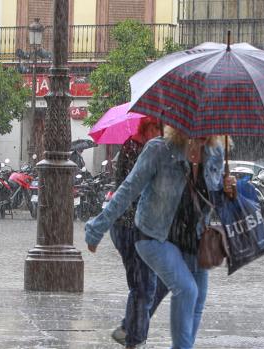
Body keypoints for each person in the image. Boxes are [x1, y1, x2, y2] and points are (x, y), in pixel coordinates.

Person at [85, 124, 236, 349]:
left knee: (197, 300)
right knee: (186, 289)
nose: (203, 130)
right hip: (153, 234)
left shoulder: (215, 153)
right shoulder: (159, 150)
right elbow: (128, 189)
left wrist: (229, 190)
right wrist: (97, 228)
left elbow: (214, 204)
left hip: (193, 238)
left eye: (209, 124)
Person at [108, 117, 168, 348]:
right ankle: (134, 338)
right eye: (158, 129)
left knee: (155, 282)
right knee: (143, 286)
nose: (162, 134)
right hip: (131, 226)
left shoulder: (147, 149)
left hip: (140, 226)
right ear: (148, 127)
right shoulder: (135, 149)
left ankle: (130, 329)